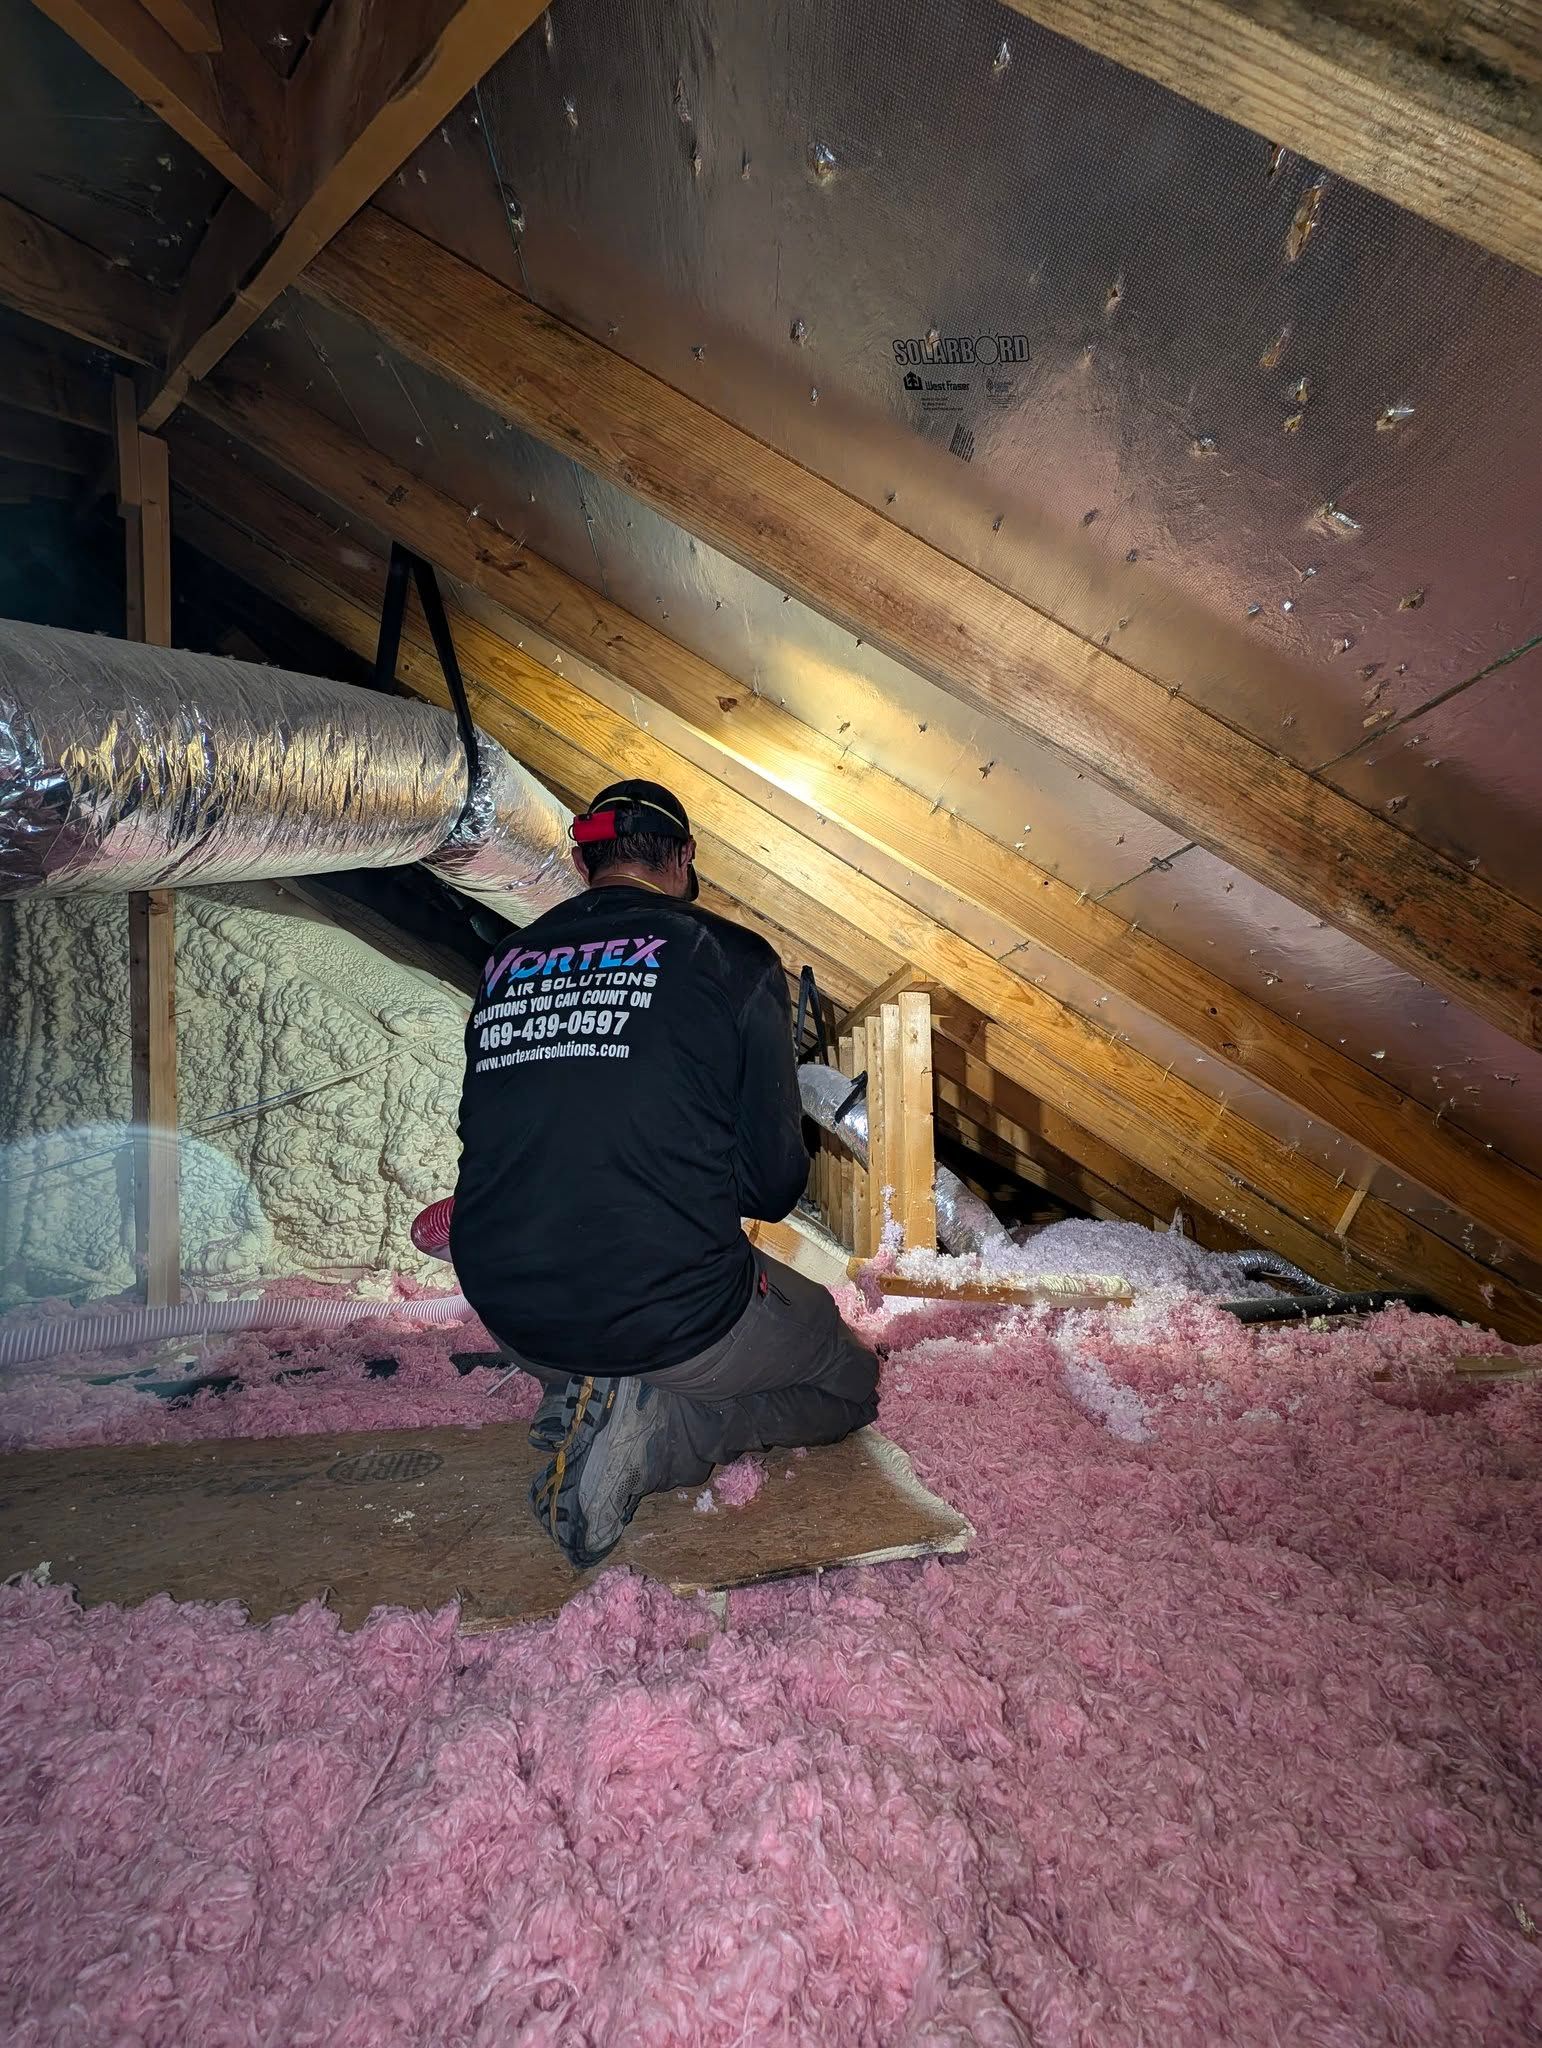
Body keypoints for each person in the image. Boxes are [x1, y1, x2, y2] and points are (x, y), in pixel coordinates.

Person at [450, 777, 879, 1568]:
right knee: (849, 1381)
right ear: (683, 858)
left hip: (513, 1311)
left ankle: (588, 1388)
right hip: (669, 1312)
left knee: (647, 1329)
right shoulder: (732, 956)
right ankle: (655, 1433)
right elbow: (771, 1189)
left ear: (586, 865)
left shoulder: (504, 960)